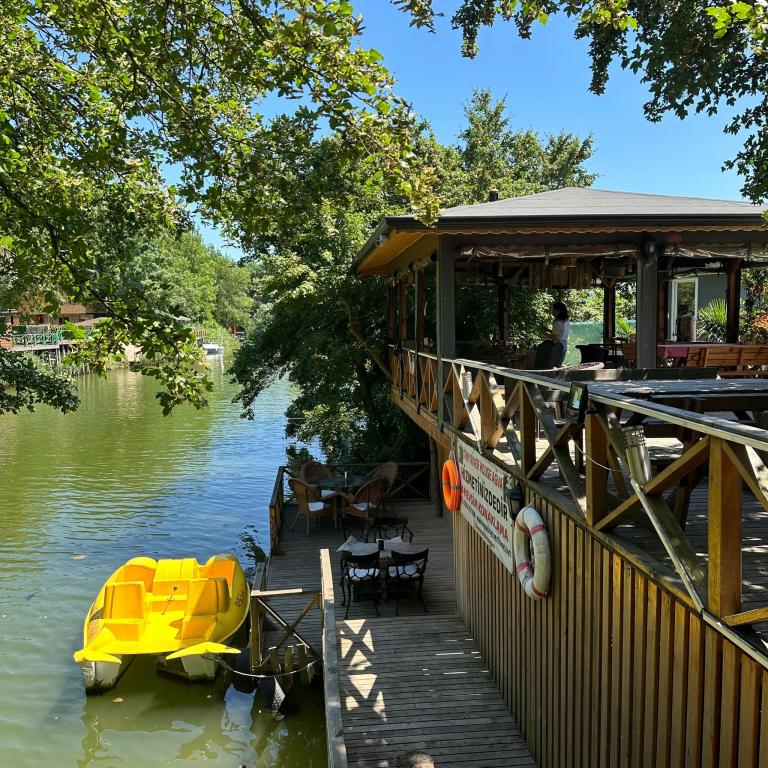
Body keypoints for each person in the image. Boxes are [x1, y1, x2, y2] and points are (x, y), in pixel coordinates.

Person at [541, 302, 570, 367]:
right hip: (564, 344)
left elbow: (555, 337)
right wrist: (548, 330)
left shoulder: (558, 321)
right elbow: (560, 333)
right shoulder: (566, 320)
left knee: (553, 367)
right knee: (558, 365)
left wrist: (544, 333)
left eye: (553, 310)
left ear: (558, 310)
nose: (552, 312)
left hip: (557, 346)